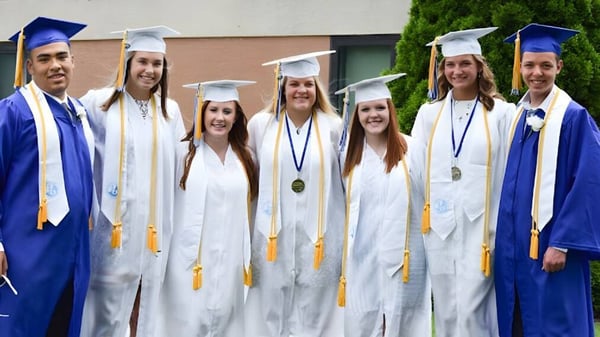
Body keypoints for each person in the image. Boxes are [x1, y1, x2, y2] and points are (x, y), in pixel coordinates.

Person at [79, 26, 185, 337]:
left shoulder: (170, 111)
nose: (150, 70)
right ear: (128, 62)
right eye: (143, 62)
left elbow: (179, 169)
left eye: (157, 64)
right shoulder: (99, 104)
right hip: (112, 232)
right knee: (105, 313)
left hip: (154, 233)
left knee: (147, 310)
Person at [495, 23, 600, 337]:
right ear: (520, 67)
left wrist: (563, 243)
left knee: (556, 324)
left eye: (545, 65)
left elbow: (589, 183)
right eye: (529, 65)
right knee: (518, 323)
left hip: (551, 246)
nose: (536, 73)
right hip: (513, 250)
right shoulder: (516, 115)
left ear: (559, 67)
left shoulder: (573, 117)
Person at [411, 27, 515, 337]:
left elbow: (510, 171)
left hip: (483, 229)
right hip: (440, 227)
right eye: (451, 65)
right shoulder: (429, 114)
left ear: (479, 67)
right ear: (442, 69)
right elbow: (417, 171)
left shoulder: (501, 113)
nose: (458, 71)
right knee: (445, 308)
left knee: (473, 310)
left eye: (465, 63)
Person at [0, 17, 94, 337]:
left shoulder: (79, 113)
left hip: (73, 252)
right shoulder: (13, 111)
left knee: (63, 325)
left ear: (72, 61)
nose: (55, 65)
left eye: (61, 57)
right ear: (29, 66)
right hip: (26, 252)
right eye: (44, 58)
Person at [244, 51, 345, 337]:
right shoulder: (261, 125)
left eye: (309, 84)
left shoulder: (333, 127)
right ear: (282, 88)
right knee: (269, 306)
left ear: (317, 89)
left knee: (317, 308)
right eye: (294, 84)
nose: (302, 90)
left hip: (321, 236)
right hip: (273, 234)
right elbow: (248, 175)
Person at [157, 80, 258, 336]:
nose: (219, 118)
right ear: (201, 112)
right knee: (186, 322)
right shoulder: (183, 154)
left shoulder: (245, 158)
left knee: (228, 322)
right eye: (213, 110)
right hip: (190, 260)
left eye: (227, 111)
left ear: (236, 117)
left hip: (232, 260)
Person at [336, 74, 431, 337]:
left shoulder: (413, 149)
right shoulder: (347, 156)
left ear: (390, 110)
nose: (373, 115)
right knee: (363, 323)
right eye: (365, 109)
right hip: (361, 257)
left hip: (406, 256)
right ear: (357, 115)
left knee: (403, 323)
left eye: (380, 108)